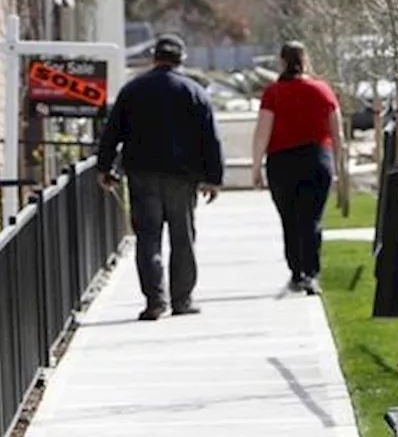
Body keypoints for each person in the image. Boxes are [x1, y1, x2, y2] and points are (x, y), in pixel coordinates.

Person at [97, 34, 225, 321]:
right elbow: (210, 139)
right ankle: (182, 299)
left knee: (148, 238)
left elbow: (112, 132)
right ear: (181, 59)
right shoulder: (194, 92)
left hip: (142, 174)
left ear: (154, 57)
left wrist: (105, 168)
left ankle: (155, 301)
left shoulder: (133, 90)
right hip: (182, 177)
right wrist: (213, 177)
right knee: (183, 238)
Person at [250, 41, 343, 295]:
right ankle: (311, 273)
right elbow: (338, 132)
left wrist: (256, 167)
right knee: (311, 219)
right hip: (317, 159)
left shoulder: (273, 93)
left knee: (289, 219)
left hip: (282, 162)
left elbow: (262, 133)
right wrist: (340, 166)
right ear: (305, 60)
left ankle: (297, 271)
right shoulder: (323, 91)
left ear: (281, 62)